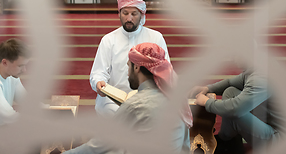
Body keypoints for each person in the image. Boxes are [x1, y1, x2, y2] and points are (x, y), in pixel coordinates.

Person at [64, 42, 192, 154]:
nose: (127, 72)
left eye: (128, 66)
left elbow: (98, 146)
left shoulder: (135, 105)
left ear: (136, 67)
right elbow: (185, 146)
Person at [90, 0, 170, 117]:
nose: (129, 18)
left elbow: (165, 71)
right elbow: (98, 72)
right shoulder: (109, 40)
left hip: (148, 99)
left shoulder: (155, 37)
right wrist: (98, 83)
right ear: (119, 14)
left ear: (142, 15)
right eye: (125, 13)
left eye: (134, 14)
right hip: (113, 102)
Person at [191, 69, 285, 153]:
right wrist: (208, 88)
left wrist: (206, 102)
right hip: (271, 125)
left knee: (236, 112)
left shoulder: (261, 79)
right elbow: (230, 83)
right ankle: (227, 140)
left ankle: (228, 143)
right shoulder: (256, 70)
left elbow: (235, 109)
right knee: (230, 92)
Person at [0, 38, 30, 126]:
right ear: (5, 62)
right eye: (20, 66)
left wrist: (52, 110)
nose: (24, 70)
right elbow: (9, 116)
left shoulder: (13, 77)